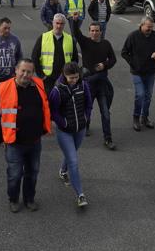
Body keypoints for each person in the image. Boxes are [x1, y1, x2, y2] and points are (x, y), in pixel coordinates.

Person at [0, 59, 51, 213]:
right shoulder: (4, 88)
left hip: (35, 141)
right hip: (14, 142)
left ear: (33, 73)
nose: (25, 74)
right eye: (22, 70)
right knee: (15, 175)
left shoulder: (39, 86)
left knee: (33, 173)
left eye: (29, 72)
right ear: (16, 70)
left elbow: (45, 107)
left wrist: (43, 129)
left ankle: (29, 198)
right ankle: (14, 199)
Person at [48, 62, 92, 208]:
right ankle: (80, 194)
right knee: (73, 160)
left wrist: (85, 118)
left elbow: (88, 104)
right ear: (64, 75)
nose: (74, 80)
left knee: (70, 155)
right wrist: (64, 123)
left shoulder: (84, 85)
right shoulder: (57, 91)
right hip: (64, 131)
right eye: (71, 78)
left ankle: (62, 170)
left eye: (76, 77)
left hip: (80, 129)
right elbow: (53, 111)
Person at [73, 20, 118, 149]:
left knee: (105, 112)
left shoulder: (106, 44)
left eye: (97, 30)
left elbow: (113, 59)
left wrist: (105, 65)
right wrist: (75, 21)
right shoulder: (85, 42)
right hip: (89, 84)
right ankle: (86, 125)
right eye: (92, 30)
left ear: (100, 31)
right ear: (89, 32)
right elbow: (76, 33)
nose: (94, 33)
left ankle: (108, 139)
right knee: (87, 109)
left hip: (102, 85)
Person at [121, 16, 155, 131]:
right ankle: (136, 118)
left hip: (150, 72)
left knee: (148, 96)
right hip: (137, 72)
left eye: (151, 27)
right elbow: (124, 52)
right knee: (140, 95)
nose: (150, 29)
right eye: (148, 27)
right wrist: (133, 63)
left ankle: (144, 117)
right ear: (141, 25)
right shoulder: (133, 36)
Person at [32, 13, 79, 93]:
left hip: (64, 78)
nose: (59, 26)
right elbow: (34, 57)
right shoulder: (43, 37)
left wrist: (71, 75)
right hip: (48, 78)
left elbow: (75, 59)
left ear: (64, 25)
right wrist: (41, 75)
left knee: (63, 102)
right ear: (53, 23)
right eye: (57, 23)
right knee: (48, 102)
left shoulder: (70, 39)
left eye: (61, 24)